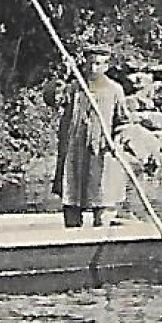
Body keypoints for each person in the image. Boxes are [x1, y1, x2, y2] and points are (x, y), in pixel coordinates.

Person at [52, 45, 129, 228]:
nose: (94, 69)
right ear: (85, 65)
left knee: (102, 202)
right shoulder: (75, 88)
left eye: (98, 64)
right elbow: (52, 98)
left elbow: (124, 122)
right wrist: (62, 76)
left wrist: (117, 141)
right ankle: (73, 241)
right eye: (90, 64)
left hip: (101, 153)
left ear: (106, 66)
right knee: (71, 202)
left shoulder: (114, 90)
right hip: (75, 154)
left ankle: (103, 239)